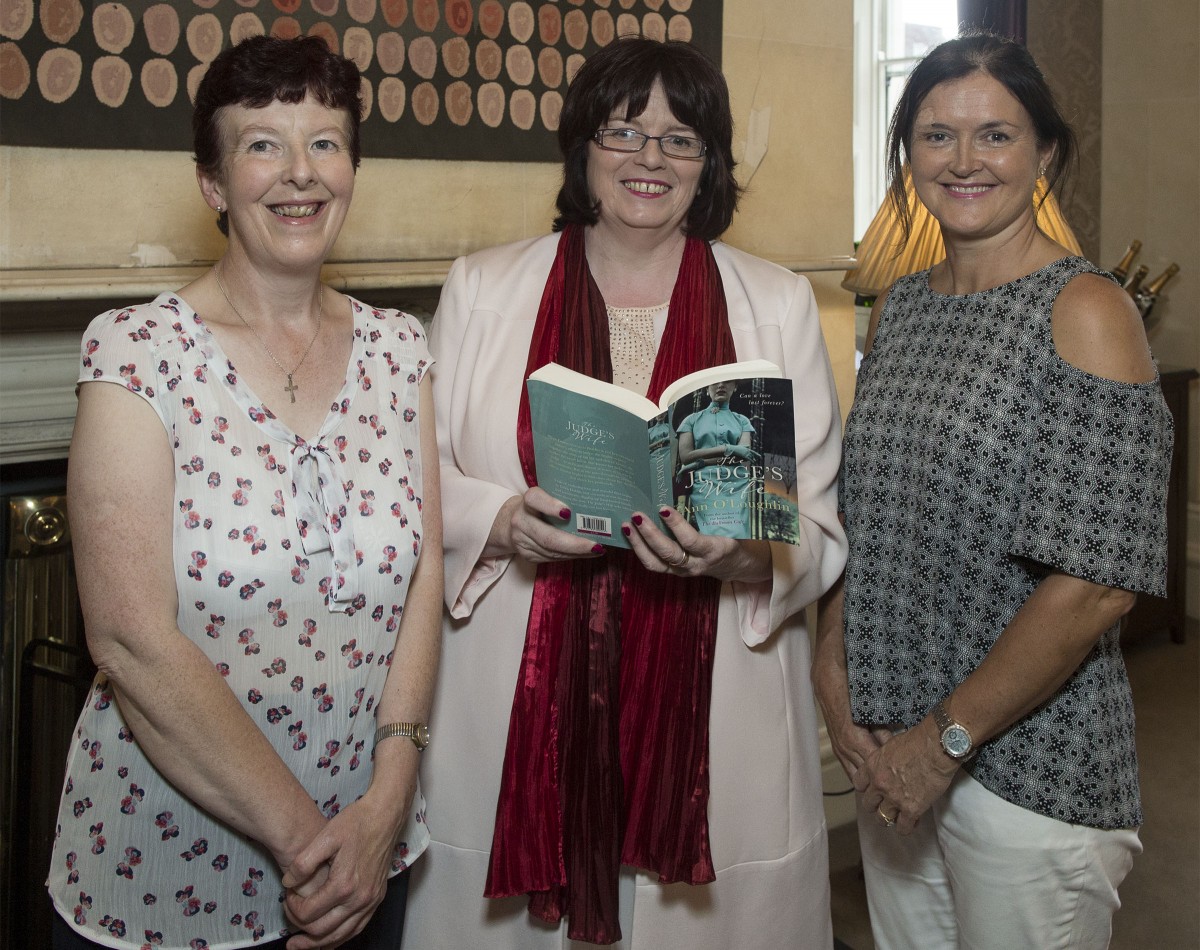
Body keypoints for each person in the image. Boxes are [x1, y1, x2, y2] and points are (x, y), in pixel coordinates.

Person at [405, 37, 846, 950]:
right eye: (624, 130)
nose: (650, 158)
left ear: (709, 165)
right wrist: (500, 520)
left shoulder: (778, 302)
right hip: (518, 677)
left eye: (681, 139)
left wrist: (743, 551)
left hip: (713, 685)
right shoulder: (483, 288)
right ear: (583, 146)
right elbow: (417, 483)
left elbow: (820, 526)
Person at [46, 35, 442, 950]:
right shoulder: (136, 353)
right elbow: (129, 637)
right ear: (213, 183)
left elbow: (425, 571)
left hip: (371, 849)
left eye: (326, 142)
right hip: (169, 872)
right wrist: (318, 852)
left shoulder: (399, 347)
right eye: (263, 143)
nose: (300, 172)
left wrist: (389, 798)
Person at [813, 31, 1173, 950]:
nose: (964, 160)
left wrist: (942, 745)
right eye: (937, 136)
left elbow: (1097, 583)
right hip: (891, 753)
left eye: (996, 135)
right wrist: (833, 661)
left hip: (1025, 771)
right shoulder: (903, 307)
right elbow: (873, 516)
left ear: (1045, 152)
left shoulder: (1086, 311)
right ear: (908, 156)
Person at [675, 380, 759, 537]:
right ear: (707, 388)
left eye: (727, 382)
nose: (721, 385)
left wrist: (700, 462)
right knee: (712, 536)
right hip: (705, 484)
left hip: (737, 483)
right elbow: (686, 457)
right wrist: (728, 448)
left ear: (735, 387)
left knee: (740, 535)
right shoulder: (691, 420)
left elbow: (742, 457)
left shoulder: (742, 420)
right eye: (714, 382)